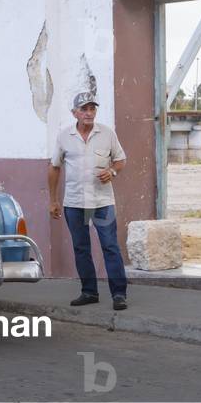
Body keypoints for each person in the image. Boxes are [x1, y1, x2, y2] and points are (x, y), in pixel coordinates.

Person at [48, 92, 129, 311]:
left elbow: (121, 159)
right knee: (81, 248)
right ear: (74, 112)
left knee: (110, 246)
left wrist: (112, 171)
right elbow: (55, 167)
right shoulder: (65, 136)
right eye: (84, 109)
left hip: (102, 202)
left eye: (92, 109)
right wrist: (53, 200)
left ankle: (119, 294)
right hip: (74, 203)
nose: (89, 113)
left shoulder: (107, 134)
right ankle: (89, 292)